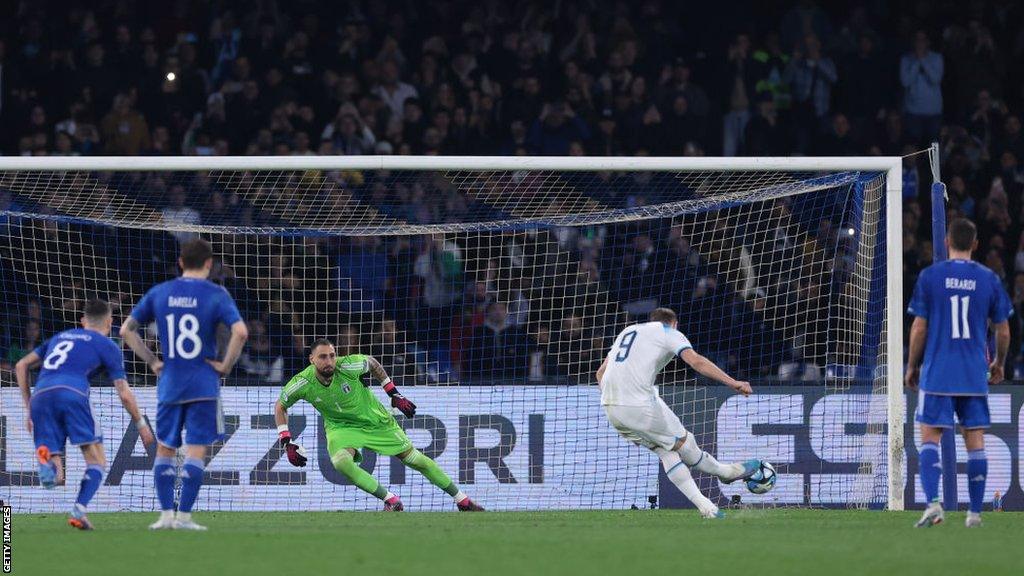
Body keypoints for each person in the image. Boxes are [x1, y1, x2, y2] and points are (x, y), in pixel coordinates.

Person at [120, 238, 249, 530]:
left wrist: (153, 361)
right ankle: (184, 517)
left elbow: (126, 330)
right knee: (195, 451)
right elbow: (240, 332)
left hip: (170, 382)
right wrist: (226, 365)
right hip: (203, 382)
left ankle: (165, 516)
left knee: (165, 449)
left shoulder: (161, 292)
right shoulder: (217, 294)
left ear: (180, 262)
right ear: (209, 264)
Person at [274, 338, 483, 512]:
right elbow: (280, 406)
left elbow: (373, 363)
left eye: (332, 355)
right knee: (340, 462)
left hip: (376, 421)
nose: (329, 360)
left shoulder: (348, 365)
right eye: (322, 356)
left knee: (416, 460)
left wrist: (393, 393)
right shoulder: (302, 382)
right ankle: (390, 499)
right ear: (312, 359)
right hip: (341, 427)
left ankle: (462, 499)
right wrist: (286, 441)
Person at [596, 307, 760, 519]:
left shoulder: (628, 331)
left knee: (666, 451)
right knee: (686, 444)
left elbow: (600, 373)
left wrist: (622, 413)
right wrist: (733, 382)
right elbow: (696, 361)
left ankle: (707, 507)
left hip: (611, 407)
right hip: (637, 404)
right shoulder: (668, 333)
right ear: (674, 323)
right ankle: (727, 473)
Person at [906, 218, 1011, 528]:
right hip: (973, 373)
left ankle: (934, 505)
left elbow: (920, 326)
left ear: (947, 241)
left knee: (929, 437)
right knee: (975, 440)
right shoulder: (990, 278)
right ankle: (975, 514)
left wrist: (912, 365)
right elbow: (1003, 330)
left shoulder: (930, 276)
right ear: (976, 244)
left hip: (938, 371)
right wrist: (1000, 363)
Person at [15, 299, 154, 530]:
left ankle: (47, 463)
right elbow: (124, 393)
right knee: (97, 461)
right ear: (110, 322)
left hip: (41, 395)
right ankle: (79, 511)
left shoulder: (61, 337)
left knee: (57, 477)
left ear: (82, 321)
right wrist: (140, 423)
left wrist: (29, 407)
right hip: (72, 394)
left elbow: (21, 365)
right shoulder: (108, 345)